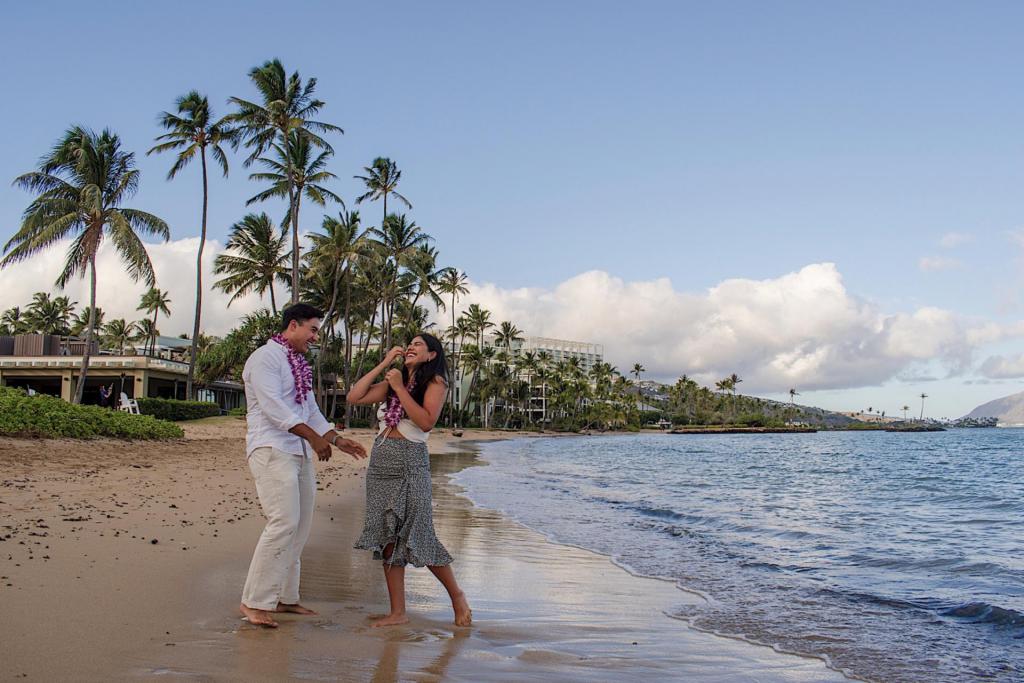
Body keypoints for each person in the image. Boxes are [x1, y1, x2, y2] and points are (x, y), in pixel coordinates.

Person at [239, 303, 368, 628]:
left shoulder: (298, 364)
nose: (315, 337)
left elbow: (310, 411)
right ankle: (254, 601)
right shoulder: (264, 358)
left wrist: (337, 440)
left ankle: (286, 597)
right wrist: (313, 438)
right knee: (283, 522)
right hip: (271, 448)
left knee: (300, 527)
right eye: (312, 329)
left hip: (297, 452)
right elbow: (274, 408)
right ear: (293, 325)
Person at [348, 333, 472, 627]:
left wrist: (399, 388)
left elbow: (426, 421)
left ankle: (457, 596)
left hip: (411, 463)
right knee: (387, 537)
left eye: (419, 344)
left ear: (431, 355)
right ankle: (397, 613)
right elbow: (354, 397)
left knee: (419, 533)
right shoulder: (396, 380)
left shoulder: (435, 382)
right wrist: (386, 363)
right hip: (381, 464)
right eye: (410, 344)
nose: (411, 347)